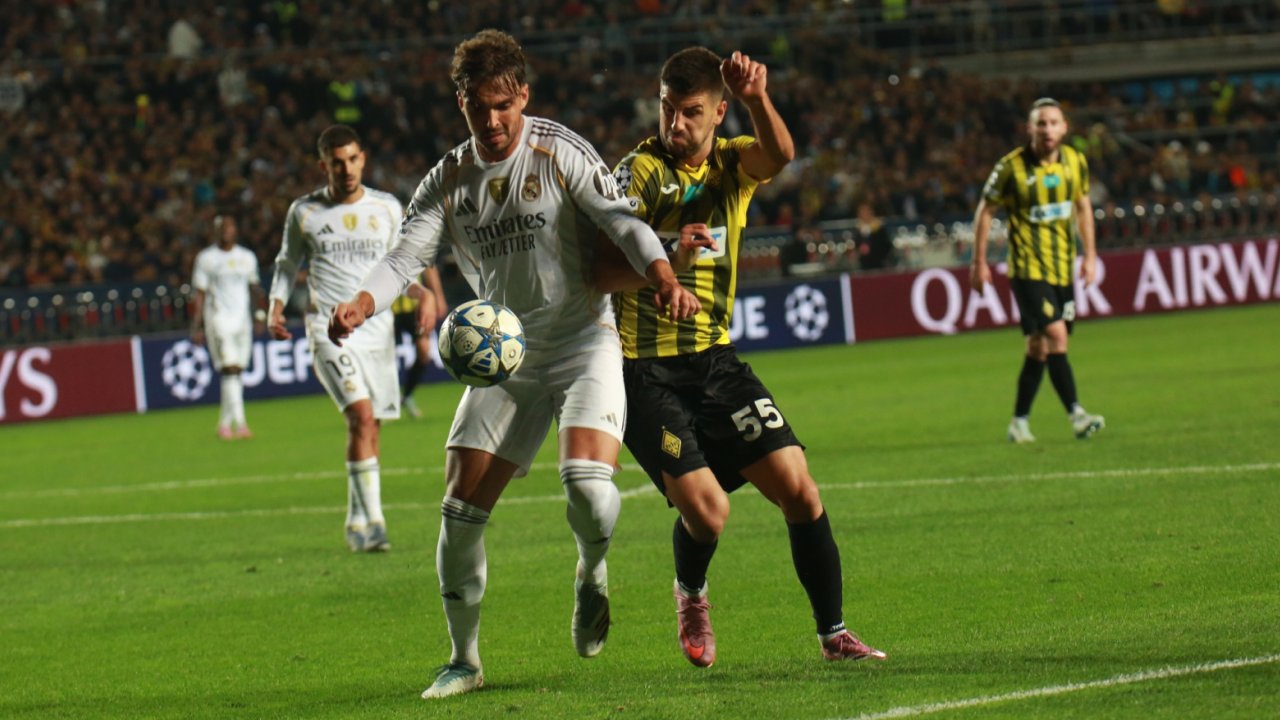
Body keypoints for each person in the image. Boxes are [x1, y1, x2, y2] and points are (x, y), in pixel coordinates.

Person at [326, 30, 701, 700]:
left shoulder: (560, 151)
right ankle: (464, 661)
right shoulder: (448, 178)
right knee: (457, 513)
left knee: (587, 489)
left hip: (583, 341)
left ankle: (591, 570)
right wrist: (362, 302)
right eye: (479, 107)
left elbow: (624, 224)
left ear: (523, 95)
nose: (493, 120)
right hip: (506, 359)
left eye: (503, 104)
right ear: (462, 103)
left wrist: (665, 276)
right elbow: (405, 256)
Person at [593, 47, 887, 667]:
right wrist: (666, 257)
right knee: (710, 513)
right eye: (667, 109)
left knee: (800, 489)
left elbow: (779, 155)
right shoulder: (637, 172)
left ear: (719, 112)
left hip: (716, 361)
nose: (675, 123)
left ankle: (834, 635)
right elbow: (596, 268)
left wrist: (758, 98)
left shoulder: (731, 164)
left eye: (691, 112)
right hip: (643, 370)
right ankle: (691, 592)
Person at [267, 124, 435, 553]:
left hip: (376, 331)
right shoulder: (304, 212)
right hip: (329, 331)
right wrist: (275, 305)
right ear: (323, 165)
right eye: (336, 162)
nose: (346, 169)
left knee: (370, 425)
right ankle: (375, 524)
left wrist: (423, 294)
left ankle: (355, 519)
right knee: (360, 416)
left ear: (363, 159)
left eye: (352, 159)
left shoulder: (387, 208)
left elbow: (401, 266)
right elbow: (287, 263)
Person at [970, 97, 1105, 444]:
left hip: (1063, 267)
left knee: (1038, 347)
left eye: (1053, 123)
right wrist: (978, 262)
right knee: (1057, 336)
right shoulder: (1010, 167)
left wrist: (1090, 256)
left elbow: (1083, 207)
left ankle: (1019, 422)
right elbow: (986, 210)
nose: (1047, 129)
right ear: (1029, 128)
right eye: (1041, 123)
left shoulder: (1075, 161)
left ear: (1064, 128)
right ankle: (1077, 415)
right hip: (1028, 268)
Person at [190, 214, 264, 440]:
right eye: (222, 227)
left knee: (236, 372)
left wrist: (260, 315)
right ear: (215, 231)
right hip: (219, 319)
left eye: (230, 227)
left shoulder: (247, 257)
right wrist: (196, 325)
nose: (226, 231)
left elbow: (254, 287)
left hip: (242, 321)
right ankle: (241, 424)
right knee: (230, 368)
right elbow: (200, 293)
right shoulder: (207, 258)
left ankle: (223, 425)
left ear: (236, 230)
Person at [392, 268, 447, 419]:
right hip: (386, 309)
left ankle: (407, 395)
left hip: (414, 306)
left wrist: (438, 297)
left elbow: (430, 268)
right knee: (383, 357)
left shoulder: (417, 250)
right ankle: (382, 402)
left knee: (424, 352)